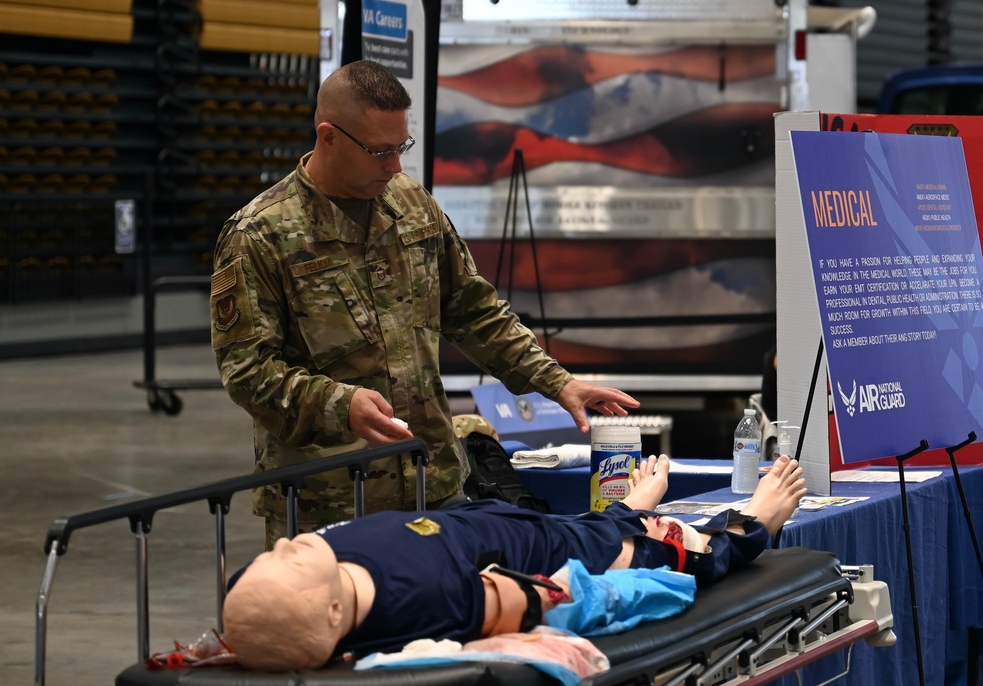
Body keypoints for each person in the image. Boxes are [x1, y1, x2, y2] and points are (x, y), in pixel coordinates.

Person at [209, 59, 639, 547]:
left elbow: (474, 310)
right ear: (328, 137)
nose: (394, 166)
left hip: (431, 481)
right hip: (326, 500)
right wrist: (339, 403)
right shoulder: (260, 235)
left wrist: (554, 382)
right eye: (379, 151)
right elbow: (246, 371)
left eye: (401, 148)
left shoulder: (411, 204)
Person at [222, 454, 807, 671]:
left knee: (575, 527)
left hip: (502, 525)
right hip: (550, 556)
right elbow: (545, 599)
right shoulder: (427, 602)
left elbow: (254, 599)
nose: (279, 550)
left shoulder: (295, 576)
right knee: (676, 553)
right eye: (287, 566)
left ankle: (625, 508)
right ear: (330, 612)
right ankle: (755, 522)